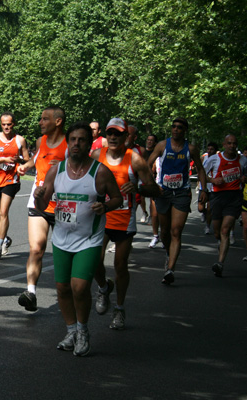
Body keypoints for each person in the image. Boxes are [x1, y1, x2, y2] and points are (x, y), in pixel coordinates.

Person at [34, 122, 122, 356]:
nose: (76, 144)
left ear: (88, 143)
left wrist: (105, 205)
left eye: (81, 140)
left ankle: (83, 331)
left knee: (79, 287)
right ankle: (71, 330)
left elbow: (118, 199)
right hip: (61, 238)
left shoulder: (100, 171)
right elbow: (44, 205)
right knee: (62, 289)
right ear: (68, 142)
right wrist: (38, 196)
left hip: (89, 240)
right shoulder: (57, 170)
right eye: (72, 139)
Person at [91, 119, 160, 330]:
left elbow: (155, 190)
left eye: (117, 134)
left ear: (125, 137)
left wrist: (138, 188)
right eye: (110, 133)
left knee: (120, 265)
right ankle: (104, 288)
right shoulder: (96, 156)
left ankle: (119, 308)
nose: (113, 137)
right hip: (102, 217)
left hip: (124, 218)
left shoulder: (135, 159)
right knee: (94, 260)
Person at [16, 106, 68, 311]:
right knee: (36, 248)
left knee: (64, 253)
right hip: (39, 201)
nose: (40, 122)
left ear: (58, 122)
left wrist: (62, 167)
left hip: (64, 205)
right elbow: (37, 159)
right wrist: (27, 166)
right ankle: (31, 292)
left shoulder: (69, 144)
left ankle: (95, 286)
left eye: (44, 119)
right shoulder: (41, 141)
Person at [147, 117, 208, 285]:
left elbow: (201, 170)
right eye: (173, 127)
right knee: (165, 232)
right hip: (163, 192)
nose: (176, 129)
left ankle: (170, 270)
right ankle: (168, 252)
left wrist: (204, 189)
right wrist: (152, 185)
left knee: (176, 231)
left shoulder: (191, 149)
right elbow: (147, 164)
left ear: (185, 130)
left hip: (182, 193)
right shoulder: (161, 146)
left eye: (180, 127)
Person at [0, 112, 29, 259]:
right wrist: (3, 159)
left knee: (3, 212)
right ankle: (5, 239)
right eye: (3, 124)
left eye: (9, 124)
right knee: (0, 214)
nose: (6, 127)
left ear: (13, 124)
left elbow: (27, 161)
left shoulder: (19, 140)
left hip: (12, 180)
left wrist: (20, 162)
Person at [204, 134, 247, 277]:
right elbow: (202, 174)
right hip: (217, 197)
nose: (232, 146)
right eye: (229, 143)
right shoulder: (214, 159)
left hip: (234, 197)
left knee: (225, 230)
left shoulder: (243, 160)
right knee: (217, 231)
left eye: (234, 143)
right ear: (224, 144)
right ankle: (220, 243)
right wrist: (212, 180)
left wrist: (245, 178)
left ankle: (220, 263)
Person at [200, 142, 219, 234]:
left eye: (211, 149)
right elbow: (200, 169)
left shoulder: (218, 159)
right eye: (208, 149)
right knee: (200, 208)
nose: (209, 151)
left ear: (215, 150)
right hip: (203, 186)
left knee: (210, 209)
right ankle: (203, 212)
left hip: (213, 188)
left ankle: (207, 226)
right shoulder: (204, 157)